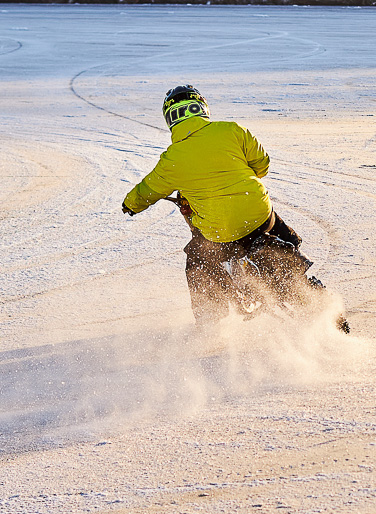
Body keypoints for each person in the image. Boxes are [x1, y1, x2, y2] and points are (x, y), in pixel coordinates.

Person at [122, 85, 340, 330]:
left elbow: (147, 190)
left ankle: (209, 320)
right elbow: (262, 165)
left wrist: (130, 205)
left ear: (170, 119)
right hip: (259, 217)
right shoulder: (233, 130)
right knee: (272, 223)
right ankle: (296, 268)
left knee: (197, 259)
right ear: (202, 108)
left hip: (219, 233)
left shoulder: (171, 159)